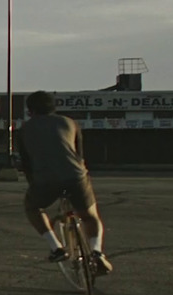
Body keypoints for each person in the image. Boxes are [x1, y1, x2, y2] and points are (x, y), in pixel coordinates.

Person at [17, 90, 112, 274]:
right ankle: (97, 252)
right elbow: (79, 154)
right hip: (76, 176)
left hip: (45, 179)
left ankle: (56, 248)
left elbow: (27, 163)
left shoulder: (25, 129)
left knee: (32, 208)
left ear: (30, 111)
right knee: (90, 216)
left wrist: (34, 185)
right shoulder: (70, 123)